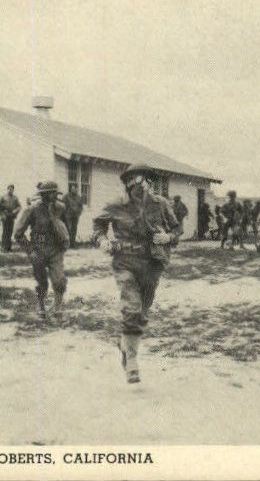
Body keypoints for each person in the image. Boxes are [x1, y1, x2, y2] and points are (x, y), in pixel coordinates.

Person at [93, 164, 180, 384]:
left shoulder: (161, 204)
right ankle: (132, 360)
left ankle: (125, 345)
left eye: (147, 182)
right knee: (132, 308)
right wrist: (102, 240)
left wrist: (168, 238)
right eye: (138, 183)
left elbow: (177, 229)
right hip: (125, 262)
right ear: (129, 184)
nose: (143, 187)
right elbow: (98, 225)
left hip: (152, 262)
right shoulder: (116, 204)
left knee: (141, 311)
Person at [15, 181, 70, 318]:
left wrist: (65, 241)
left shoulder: (60, 208)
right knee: (42, 280)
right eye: (52, 193)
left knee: (59, 279)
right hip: (38, 249)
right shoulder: (32, 209)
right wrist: (30, 250)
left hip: (55, 249)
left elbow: (65, 226)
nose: (55, 196)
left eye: (55, 192)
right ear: (44, 194)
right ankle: (41, 303)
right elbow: (18, 233)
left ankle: (57, 306)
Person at [0, 184, 22, 252]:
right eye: (9, 189)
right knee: (5, 232)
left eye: (12, 189)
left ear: (13, 190)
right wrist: (2, 214)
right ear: (7, 189)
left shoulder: (15, 198)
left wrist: (15, 211)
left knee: (10, 232)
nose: (10, 190)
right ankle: (3, 247)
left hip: (11, 216)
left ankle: (8, 247)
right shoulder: (3, 197)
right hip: (5, 216)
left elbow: (19, 206)